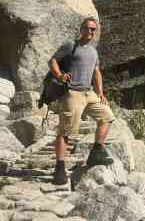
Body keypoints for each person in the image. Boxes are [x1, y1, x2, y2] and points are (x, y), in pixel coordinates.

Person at [49, 17, 115, 185]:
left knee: (107, 116)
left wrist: (101, 93)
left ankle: (95, 153)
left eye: (94, 29)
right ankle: (59, 168)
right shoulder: (70, 45)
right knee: (66, 131)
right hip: (73, 92)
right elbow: (53, 60)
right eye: (88, 28)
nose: (91, 32)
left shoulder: (93, 51)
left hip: (89, 93)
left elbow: (96, 72)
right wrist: (59, 75)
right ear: (81, 29)